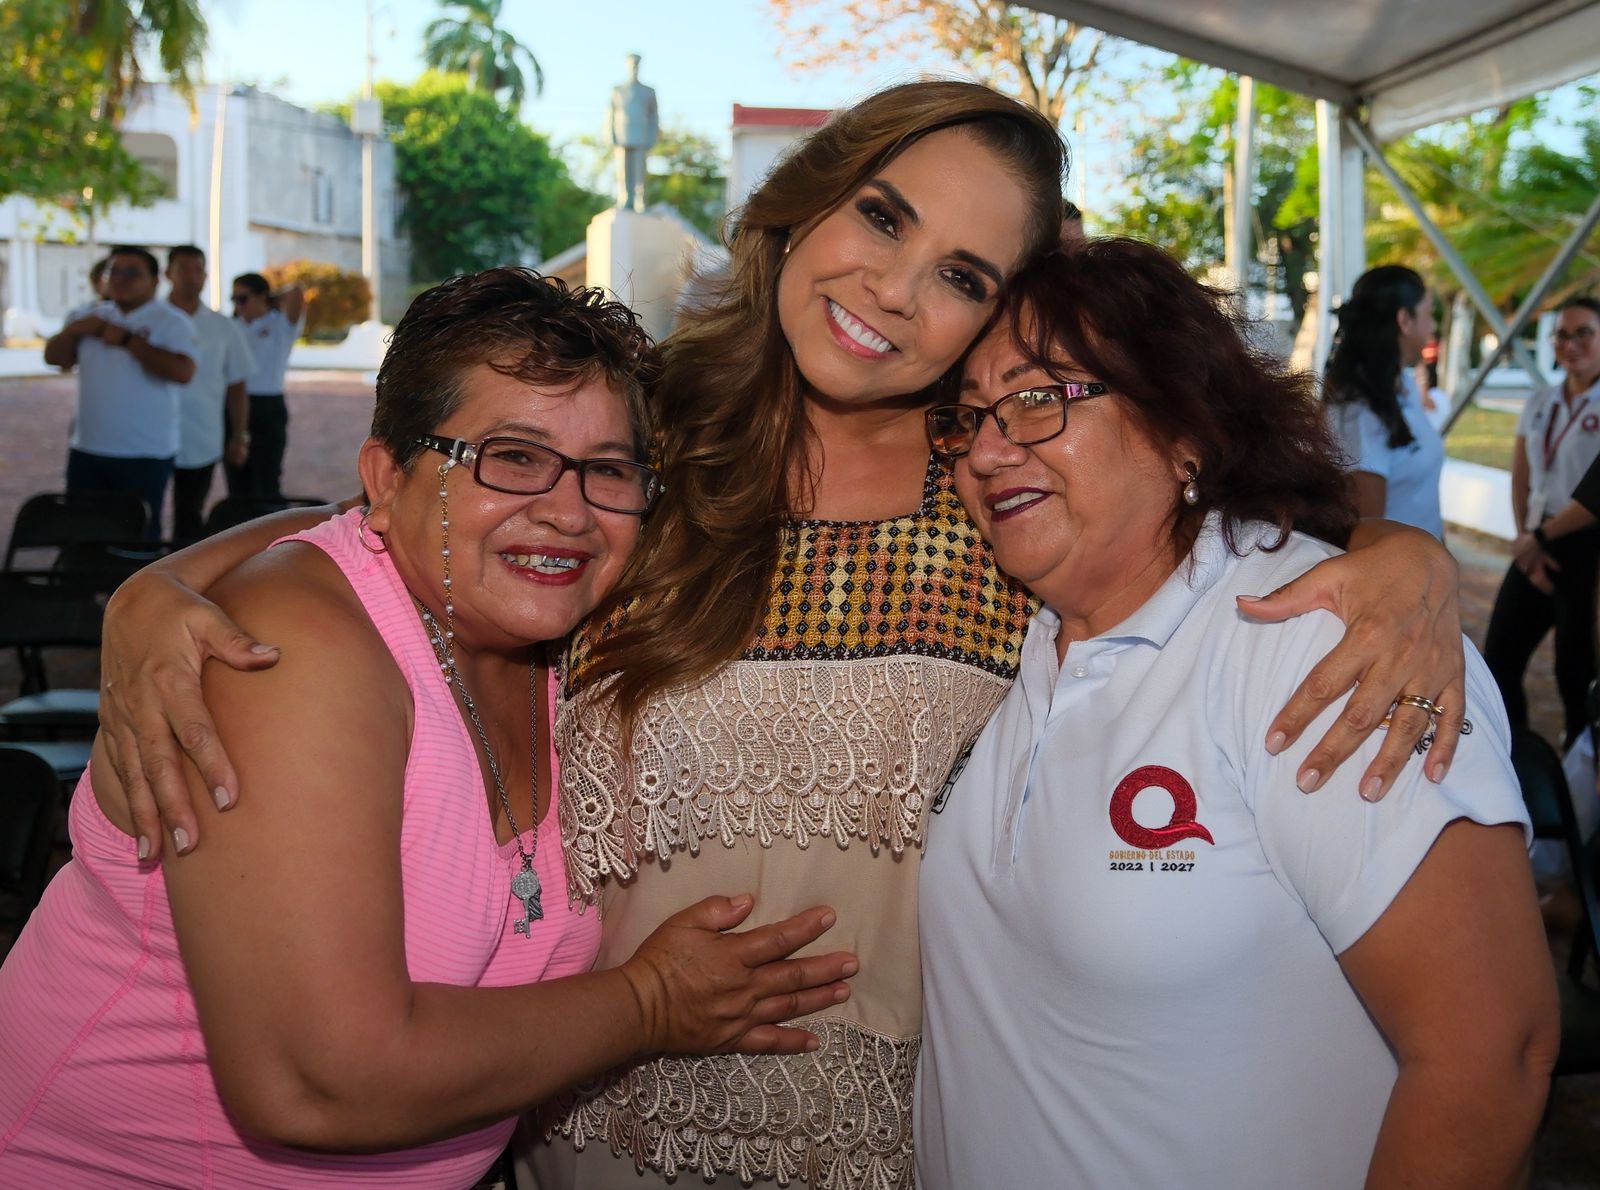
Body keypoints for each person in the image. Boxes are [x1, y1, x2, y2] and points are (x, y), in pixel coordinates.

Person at [94, 82, 1469, 1190]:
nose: (894, 288)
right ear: (807, 202)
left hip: (905, 1139)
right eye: (881, 216)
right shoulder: (643, 435)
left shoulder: (1007, 486)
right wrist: (154, 590)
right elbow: (403, 514)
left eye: (960, 272)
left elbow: (1251, 526)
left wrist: (1405, 564)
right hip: (589, 1112)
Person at [0, 268, 855, 1188]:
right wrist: (652, 1003)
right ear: (387, 477)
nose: (567, 511)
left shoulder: (558, 627)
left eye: (607, 469)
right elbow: (316, 1083)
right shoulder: (291, 649)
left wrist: (156, 580)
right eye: (512, 457)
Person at [915, 238, 1557, 1189]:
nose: (986, 449)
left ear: (1184, 430)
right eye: (968, 417)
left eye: (1040, 398)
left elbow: (1493, 1050)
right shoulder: (1017, 637)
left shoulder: (1315, 640)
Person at [1483, 296, 1600, 746]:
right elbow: (1522, 476)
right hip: (1535, 539)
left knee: (1576, 673)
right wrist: (1525, 539)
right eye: (1562, 335)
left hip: (1586, 546)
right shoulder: (1540, 401)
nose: (1571, 344)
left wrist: (1538, 538)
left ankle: (1579, 765)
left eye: (1584, 333)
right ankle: (1514, 756)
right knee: (1499, 660)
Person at [43, 244, 198, 535]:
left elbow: (183, 372)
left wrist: (128, 340)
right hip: (88, 447)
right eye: (113, 271)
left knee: (138, 537)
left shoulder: (172, 321)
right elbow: (54, 358)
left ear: (154, 281)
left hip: (145, 452)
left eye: (132, 273)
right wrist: (73, 331)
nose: (120, 278)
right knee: (82, 535)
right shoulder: (87, 316)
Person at [1324, 264, 1446, 539]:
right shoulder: (1359, 414)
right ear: (1405, 320)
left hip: (1426, 559)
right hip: (1401, 565)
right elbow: (1365, 534)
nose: (1433, 327)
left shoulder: (1403, 387)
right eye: (1429, 315)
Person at [164, 245, 255, 540]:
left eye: (198, 270)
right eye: (183, 269)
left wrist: (240, 434)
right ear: (167, 274)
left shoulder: (222, 326)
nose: (191, 277)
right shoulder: (149, 320)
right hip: (146, 437)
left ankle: (180, 566)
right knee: (140, 511)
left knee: (189, 514)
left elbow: (237, 384)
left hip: (200, 437)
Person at [227, 271, 306, 500]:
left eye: (243, 298)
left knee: (267, 477)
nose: (238, 305)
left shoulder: (281, 324)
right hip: (233, 404)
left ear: (262, 296)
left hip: (268, 406)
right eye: (234, 299)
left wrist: (272, 298)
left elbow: (296, 291)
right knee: (236, 479)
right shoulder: (232, 326)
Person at [608, 53, 658, 213]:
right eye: (631, 64)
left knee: (640, 172)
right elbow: (610, 114)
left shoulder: (648, 91)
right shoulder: (617, 90)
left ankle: (639, 200)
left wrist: (652, 137)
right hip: (622, 135)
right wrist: (610, 135)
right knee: (623, 172)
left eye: (636, 64)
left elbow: (654, 117)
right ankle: (625, 199)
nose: (634, 67)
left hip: (641, 136)